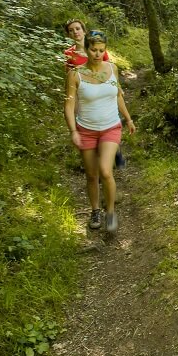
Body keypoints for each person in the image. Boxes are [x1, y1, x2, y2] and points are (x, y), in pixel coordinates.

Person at [64, 30, 135, 234]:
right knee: (91, 175)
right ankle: (95, 210)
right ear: (86, 49)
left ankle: (110, 211)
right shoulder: (75, 74)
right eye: (93, 50)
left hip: (111, 127)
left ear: (105, 50)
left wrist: (128, 119)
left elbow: (118, 95)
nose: (97, 54)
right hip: (86, 130)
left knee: (105, 170)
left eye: (101, 50)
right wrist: (73, 131)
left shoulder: (112, 68)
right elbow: (68, 106)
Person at [63, 18, 125, 169]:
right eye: (71, 30)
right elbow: (68, 75)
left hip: (103, 90)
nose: (75, 32)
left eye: (77, 28)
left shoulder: (95, 45)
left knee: (108, 120)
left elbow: (108, 68)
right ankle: (91, 158)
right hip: (83, 92)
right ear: (69, 35)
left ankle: (115, 151)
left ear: (83, 30)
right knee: (84, 123)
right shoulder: (69, 54)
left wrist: (117, 87)